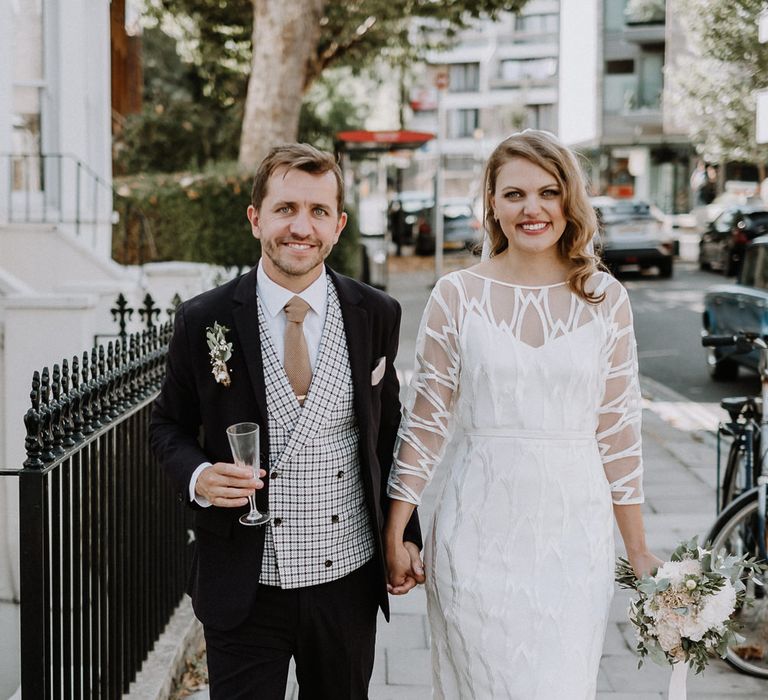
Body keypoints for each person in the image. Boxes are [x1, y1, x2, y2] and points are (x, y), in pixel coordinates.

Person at [384, 130, 661, 698]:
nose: (532, 209)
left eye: (548, 192)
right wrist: (395, 528)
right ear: (491, 203)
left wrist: (636, 550)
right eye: (514, 194)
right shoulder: (456, 295)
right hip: (475, 526)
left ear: (569, 201)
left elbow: (619, 430)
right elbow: (426, 421)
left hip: (572, 535)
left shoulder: (605, 298)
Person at [150, 143, 423, 699]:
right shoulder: (203, 319)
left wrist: (405, 534)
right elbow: (166, 427)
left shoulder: (377, 313)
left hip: (346, 578)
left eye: (319, 211)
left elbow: (390, 433)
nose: (302, 227)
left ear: (339, 225)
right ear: (256, 219)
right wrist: (200, 476)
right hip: (245, 583)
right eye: (286, 209)